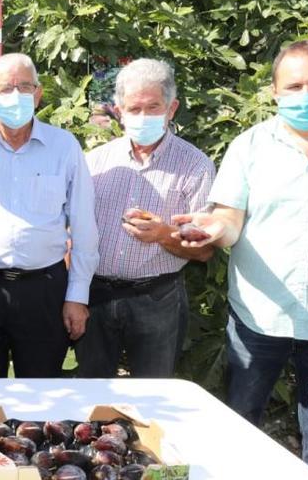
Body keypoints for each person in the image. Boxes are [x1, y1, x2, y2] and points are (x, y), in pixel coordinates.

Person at [175, 40, 308, 478]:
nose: (307, 94)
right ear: (275, 92)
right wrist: (210, 229)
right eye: (295, 85)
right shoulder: (249, 146)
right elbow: (229, 219)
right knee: (240, 427)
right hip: (259, 317)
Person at [0, 53, 99, 378]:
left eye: (24, 87)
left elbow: (84, 229)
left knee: (41, 400)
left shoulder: (64, 147)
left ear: (38, 94)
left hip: (44, 291)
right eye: (5, 88)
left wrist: (77, 296)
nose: (15, 96)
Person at [75, 58, 216, 378]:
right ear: (118, 110)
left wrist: (165, 235)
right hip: (96, 294)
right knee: (91, 391)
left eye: (153, 107)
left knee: (154, 392)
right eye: (134, 108)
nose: (143, 116)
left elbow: (206, 251)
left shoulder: (195, 166)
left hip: (158, 297)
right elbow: (75, 234)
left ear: (172, 108)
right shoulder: (95, 162)